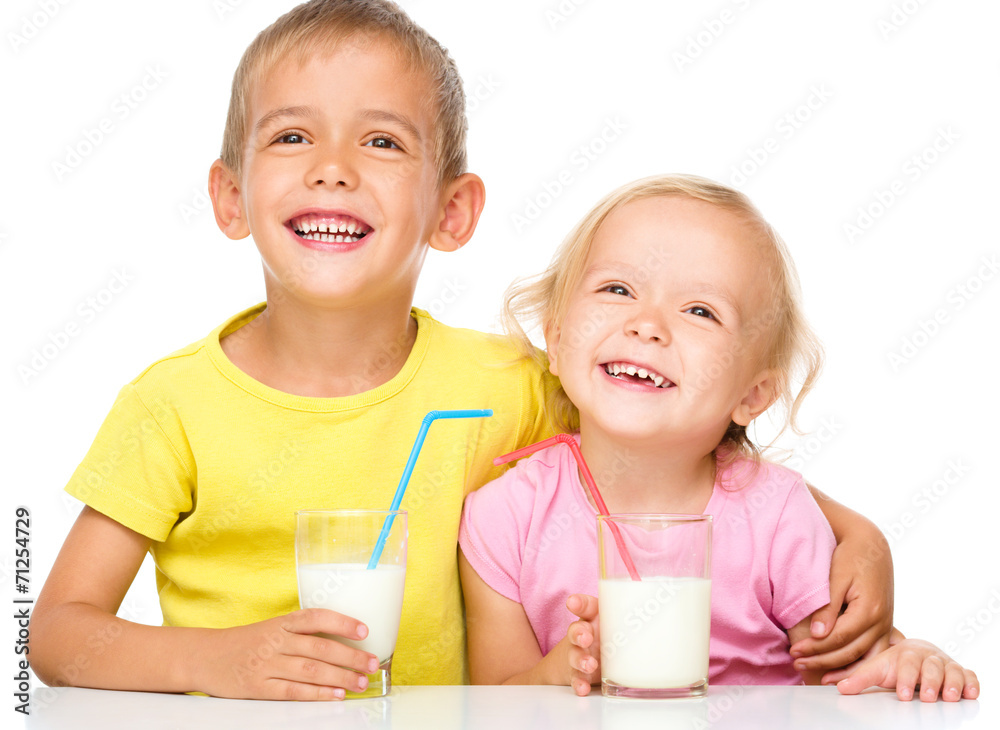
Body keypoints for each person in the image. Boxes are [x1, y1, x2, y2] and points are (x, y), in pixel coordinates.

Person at [29, 0, 889, 702]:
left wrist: (858, 535)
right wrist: (216, 661)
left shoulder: (505, 383)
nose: (333, 168)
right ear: (229, 197)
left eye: (381, 141)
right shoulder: (172, 407)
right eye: (292, 136)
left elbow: (679, 446)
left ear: (452, 212)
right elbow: (58, 634)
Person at [459, 174, 980, 702]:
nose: (647, 324)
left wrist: (909, 660)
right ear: (555, 337)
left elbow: (845, 678)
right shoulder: (503, 520)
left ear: (753, 395)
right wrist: (557, 673)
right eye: (618, 289)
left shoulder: (778, 518)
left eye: (700, 312)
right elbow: (493, 701)